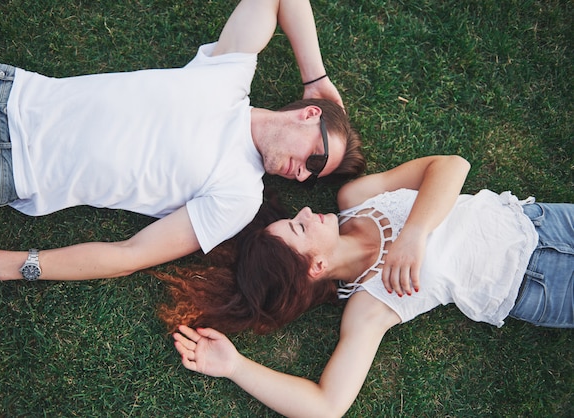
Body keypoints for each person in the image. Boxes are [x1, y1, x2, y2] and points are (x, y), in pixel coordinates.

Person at [0, 0, 365, 282]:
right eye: (315, 158)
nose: (301, 175)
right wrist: (316, 79)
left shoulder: (238, 196)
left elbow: (129, 254)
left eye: (312, 179)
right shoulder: (227, 76)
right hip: (0, 87)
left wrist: (1, 265)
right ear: (309, 115)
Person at [166, 155, 573, 417]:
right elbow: (326, 406)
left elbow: (452, 166)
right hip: (537, 288)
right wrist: (236, 367)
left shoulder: (357, 197)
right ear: (317, 266)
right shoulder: (368, 307)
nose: (306, 211)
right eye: (298, 226)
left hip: (540, 221)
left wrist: (414, 234)